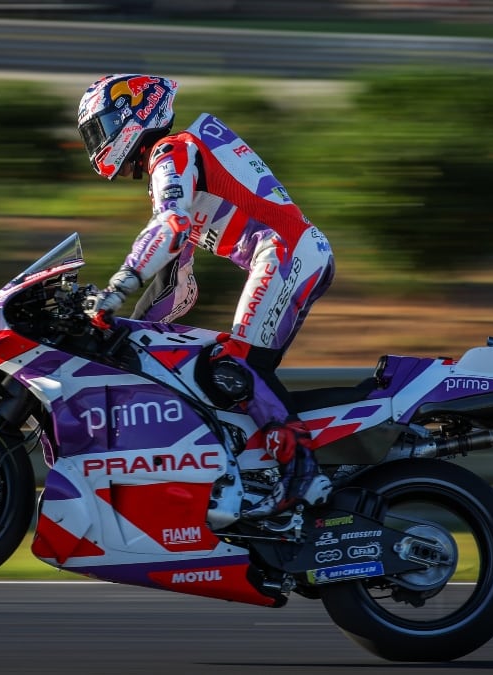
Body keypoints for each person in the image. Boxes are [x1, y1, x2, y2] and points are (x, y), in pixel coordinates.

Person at [76, 74, 335, 520]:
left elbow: (170, 228)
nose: (99, 142)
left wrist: (115, 290)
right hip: (285, 255)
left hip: (286, 253)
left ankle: (303, 473)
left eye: (102, 128)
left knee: (234, 364)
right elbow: (176, 281)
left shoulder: (172, 150)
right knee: (215, 367)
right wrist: (128, 333)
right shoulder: (179, 155)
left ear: (134, 112)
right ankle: (263, 471)